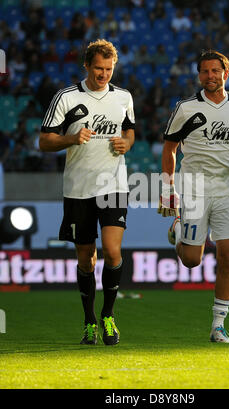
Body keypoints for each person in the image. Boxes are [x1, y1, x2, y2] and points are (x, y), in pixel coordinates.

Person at [158, 50, 229, 343]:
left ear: (226, 74)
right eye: (204, 71)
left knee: (227, 255)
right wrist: (168, 190)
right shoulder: (186, 108)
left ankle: (218, 325)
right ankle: (179, 230)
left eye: (215, 71)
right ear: (199, 75)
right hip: (194, 189)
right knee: (191, 260)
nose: (210, 76)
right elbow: (170, 149)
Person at [39, 39, 135, 346]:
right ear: (86, 66)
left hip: (114, 185)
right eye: (98, 68)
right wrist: (70, 138)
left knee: (112, 250)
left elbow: (130, 128)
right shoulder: (66, 98)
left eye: (108, 69)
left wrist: (128, 143)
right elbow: (44, 141)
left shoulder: (123, 97)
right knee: (85, 259)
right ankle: (88, 321)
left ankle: (108, 316)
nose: (104, 74)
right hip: (79, 189)